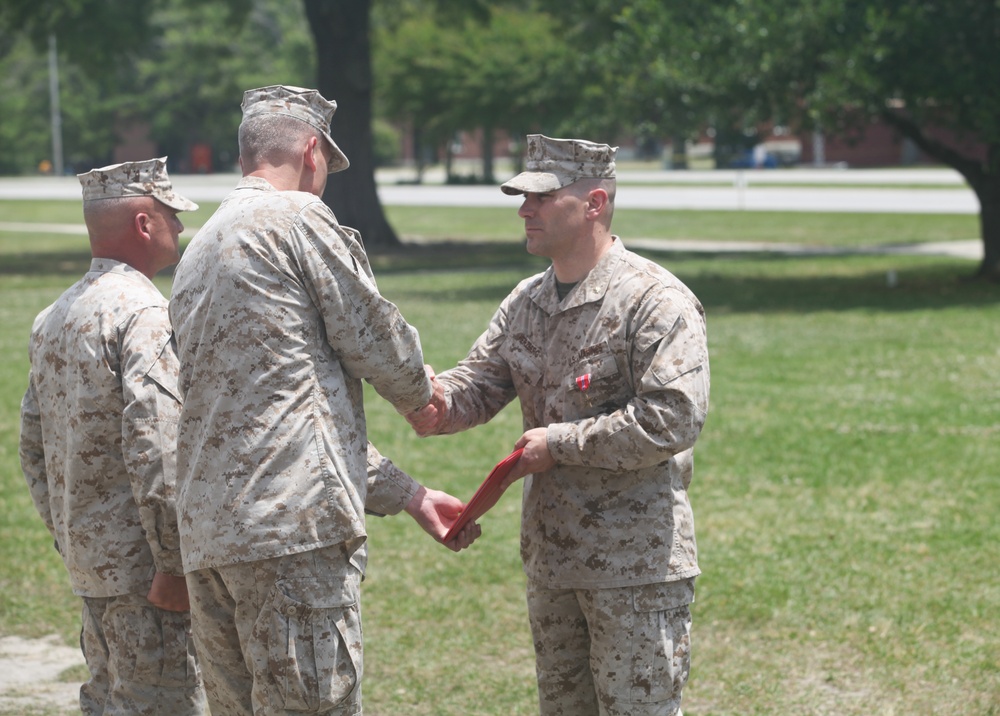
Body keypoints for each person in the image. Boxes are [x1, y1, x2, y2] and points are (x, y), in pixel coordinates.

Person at [168, 84, 479, 716]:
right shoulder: (296, 219)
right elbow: (374, 333)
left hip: (212, 541)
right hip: (290, 540)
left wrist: (411, 495)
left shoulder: (199, 247)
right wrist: (424, 400)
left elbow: (279, 413)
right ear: (312, 150)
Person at [409, 134, 711, 715]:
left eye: (542, 197)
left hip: (634, 568)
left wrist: (560, 443)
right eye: (523, 197)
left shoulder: (655, 299)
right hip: (553, 563)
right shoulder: (527, 300)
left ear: (594, 203)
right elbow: (481, 382)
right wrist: (434, 401)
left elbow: (672, 419)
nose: (525, 210)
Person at [18, 158, 206, 715]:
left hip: (93, 565)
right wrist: (173, 565)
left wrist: (72, 538)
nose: (181, 226)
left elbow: (33, 447)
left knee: (108, 701)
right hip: (148, 575)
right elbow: (159, 446)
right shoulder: (143, 314)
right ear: (144, 224)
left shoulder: (53, 316)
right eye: (172, 214)